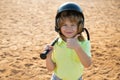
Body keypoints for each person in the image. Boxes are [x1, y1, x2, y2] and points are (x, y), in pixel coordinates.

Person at [45, 2, 92, 80]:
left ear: (80, 26)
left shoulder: (84, 43)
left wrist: (77, 47)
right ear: (58, 26)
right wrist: (48, 56)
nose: (68, 28)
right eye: (64, 25)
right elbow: (51, 68)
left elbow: (87, 64)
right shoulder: (56, 43)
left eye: (73, 25)